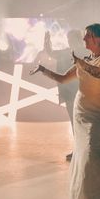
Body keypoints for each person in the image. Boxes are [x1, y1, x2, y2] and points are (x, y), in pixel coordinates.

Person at [30, 23, 100, 199]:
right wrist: (43, 69)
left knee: (92, 151)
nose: (84, 39)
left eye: (87, 36)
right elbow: (62, 79)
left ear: (97, 38)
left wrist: (79, 62)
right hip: (82, 111)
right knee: (96, 153)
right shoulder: (85, 59)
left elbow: (98, 73)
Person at [35, 29, 84, 160]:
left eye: (71, 39)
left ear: (78, 39)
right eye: (68, 39)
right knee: (75, 123)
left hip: (81, 92)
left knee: (81, 123)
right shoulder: (66, 52)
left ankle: (84, 151)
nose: (69, 41)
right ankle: (79, 151)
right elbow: (51, 53)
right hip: (68, 93)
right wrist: (47, 42)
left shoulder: (83, 52)